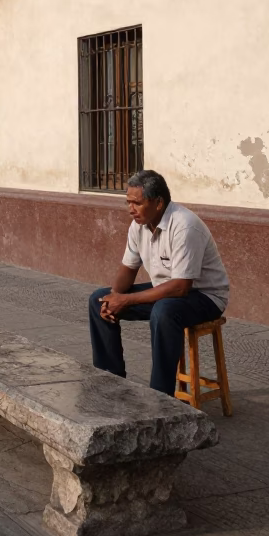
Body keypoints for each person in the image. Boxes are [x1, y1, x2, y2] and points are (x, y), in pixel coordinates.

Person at [88, 170, 230, 397]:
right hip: (166, 291)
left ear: (158, 202)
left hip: (205, 296)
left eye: (137, 203)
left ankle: (160, 397)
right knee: (98, 300)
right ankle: (111, 383)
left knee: (164, 311)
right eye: (128, 203)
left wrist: (126, 299)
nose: (131, 209)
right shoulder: (138, 225)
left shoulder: (184, 225)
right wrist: (114, 297)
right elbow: (129, 268)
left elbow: (181, 287)